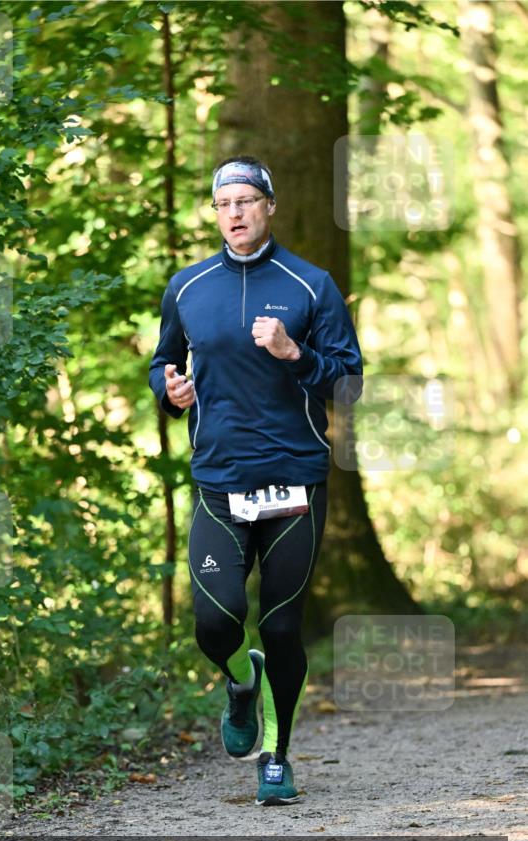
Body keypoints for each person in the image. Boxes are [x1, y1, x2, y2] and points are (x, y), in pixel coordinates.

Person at [148, 156, 363, 805]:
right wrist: (171, 389)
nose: (234, 213)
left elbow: (348, 383)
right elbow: (162, 362)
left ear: (269, 206)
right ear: (215, 213)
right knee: (215, 624)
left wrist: (294, 353)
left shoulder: (309, 285)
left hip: (293, 483)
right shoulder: (187, 288)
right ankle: (241, 682)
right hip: (219, 481)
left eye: (246, 200)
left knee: (278, 626)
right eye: (223, 204)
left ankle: (276, 756)